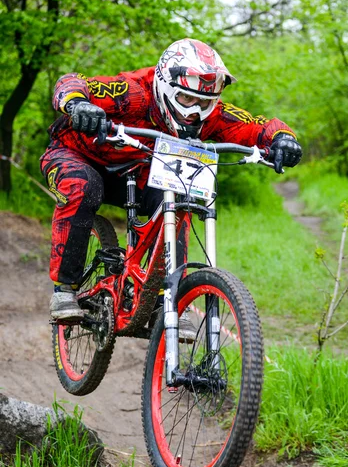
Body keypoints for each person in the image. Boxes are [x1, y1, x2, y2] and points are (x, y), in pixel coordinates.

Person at [41, 38, 302, 322]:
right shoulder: (134, 92)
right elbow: (73, 82)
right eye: (186, 99)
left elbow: (253, 126)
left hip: (134, 169)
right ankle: (64, 288)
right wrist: (78, 105)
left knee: (179, 195)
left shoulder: (210, 113)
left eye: (203, 102)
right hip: (75, 155)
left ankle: (166, 295)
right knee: (82, 185)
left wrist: (282, 139)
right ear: (166, 86)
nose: (194, 111)